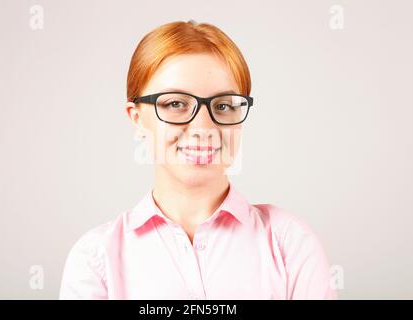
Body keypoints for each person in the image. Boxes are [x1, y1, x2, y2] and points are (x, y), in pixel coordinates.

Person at [59, 19, 337, 300]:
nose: (203, 128)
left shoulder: (289, 244)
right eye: (175, 103)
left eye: (224, 105)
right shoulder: (96, 260)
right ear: (137, 118)